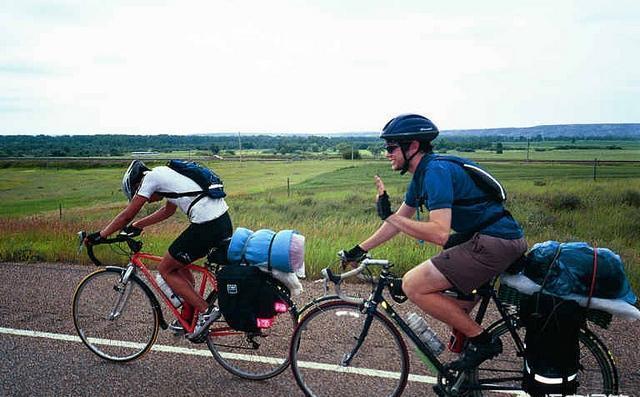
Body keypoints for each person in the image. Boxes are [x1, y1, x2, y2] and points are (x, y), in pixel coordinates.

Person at [341, 114, 527, 370]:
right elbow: (396, 223)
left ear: (413, 147)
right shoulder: (421, 176)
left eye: (391, 147)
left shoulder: (435, 172)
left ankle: (484, 342)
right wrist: (359, 250)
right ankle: (467, 375)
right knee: (456, 307)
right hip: (493, 240)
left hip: (494, 242)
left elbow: (439, 233)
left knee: (414, 284)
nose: (387, 153)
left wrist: (390, 215)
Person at [85, 160, 233, 340]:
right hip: (222, 222)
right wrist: (139, 225)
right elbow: (167, 211)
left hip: (206, 225)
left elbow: (127, 215)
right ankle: (190, 312)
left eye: (137, 194)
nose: (148, 201)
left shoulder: (151, 178)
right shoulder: (166, 174)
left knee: (165, 269)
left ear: (137, 184)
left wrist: (101, 235)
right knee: (177, 263)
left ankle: (206, 312)